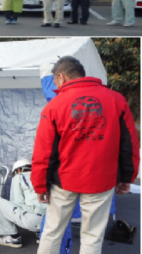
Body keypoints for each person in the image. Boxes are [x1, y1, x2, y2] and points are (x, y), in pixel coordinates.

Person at [32, 56, 140, 254]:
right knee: (92, 237)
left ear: (61, 76)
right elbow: (129, 145)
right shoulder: (116, 100)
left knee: (52, 231)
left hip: (63, 181)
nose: (56, 87)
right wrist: (127, 178)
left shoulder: (54, 106)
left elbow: (44, 152)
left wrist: (40, 185)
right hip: (101, 181)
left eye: (55, 82)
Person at [0, 159, 46, 248]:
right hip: (50, 221)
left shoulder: (19, 177)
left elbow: (16, 204)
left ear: (18, 170)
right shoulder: (43, 176)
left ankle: (12, 237)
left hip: (33, 220)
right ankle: (40, 234)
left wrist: (3, 224)